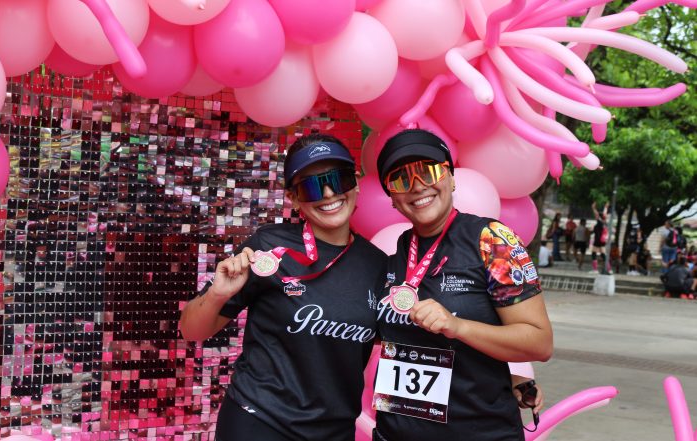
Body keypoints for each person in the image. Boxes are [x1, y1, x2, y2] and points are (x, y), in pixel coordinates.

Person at [179, 134, 389, 441]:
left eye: (339, 179)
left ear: (356, 184)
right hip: (260, 421)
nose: (329, 193)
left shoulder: (378, 265)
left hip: (334, 431)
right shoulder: (268, 247)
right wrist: (217, 294)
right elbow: (191, 330)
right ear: (294, 198)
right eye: (312, 185)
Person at [373, 129, 553, 441]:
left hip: (476, 431)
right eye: (401, 179)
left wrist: (457, 326)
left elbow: (540, 343)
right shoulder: (399, 250)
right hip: (396, 432)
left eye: (428, 170)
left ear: (452, 178)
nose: (417, 185)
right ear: (393, 198)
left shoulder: (492, 240)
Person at [589, 202, 609, 274]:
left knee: (594, 253)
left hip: (598, 239)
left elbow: (597, 214)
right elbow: (604, 214)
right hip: (603, 240)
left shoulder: (600, 222)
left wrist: (593, 208)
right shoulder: (604, 223)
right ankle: (609, 268)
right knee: (603, 254)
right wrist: (606, 207)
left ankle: (595, 269)